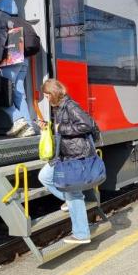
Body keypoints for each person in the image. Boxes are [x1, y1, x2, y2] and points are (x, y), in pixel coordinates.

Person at [37, 79, 96, 244]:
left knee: (73, 193)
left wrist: (61, 129)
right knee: (45, 177)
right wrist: (47, 126)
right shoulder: (59, 107)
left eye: (47, 95)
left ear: (53, 94)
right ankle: (71, 201)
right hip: (63, 155)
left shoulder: (70, 105)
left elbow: (87, 124)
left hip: (74, 156)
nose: (46, 99)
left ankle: (81, 234)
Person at [0, 0, 35, 138]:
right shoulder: (19, 19)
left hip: (10, 61)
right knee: (18, 93)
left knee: (2, 92)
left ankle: (18, 120)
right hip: (23, 60)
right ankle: (28, 125)